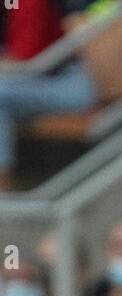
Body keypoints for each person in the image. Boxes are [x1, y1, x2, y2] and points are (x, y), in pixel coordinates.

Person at [0, 0, 98, 190]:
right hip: (31, 82)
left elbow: (27, 61)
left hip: (69, 83)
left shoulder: (28, 2)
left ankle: (2, 198)